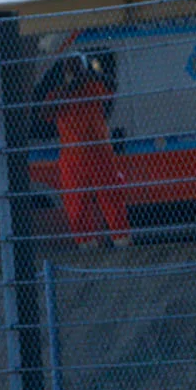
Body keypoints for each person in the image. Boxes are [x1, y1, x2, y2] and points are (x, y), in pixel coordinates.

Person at [41, 54, 130, 249]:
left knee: (111, 198)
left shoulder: (92, 86)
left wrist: (93, 74)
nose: (74, 72)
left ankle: (121, 240)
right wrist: (69, 88)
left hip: (100, 154)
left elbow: (112, 86)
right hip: (73, 158)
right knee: (76, 203)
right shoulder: (57, 94)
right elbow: (45, 113)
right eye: (71, 68)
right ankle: (86, 244)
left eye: (77, 67)